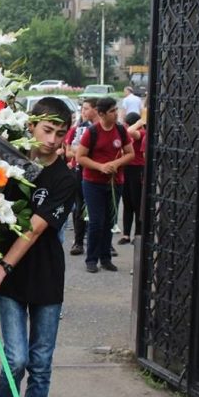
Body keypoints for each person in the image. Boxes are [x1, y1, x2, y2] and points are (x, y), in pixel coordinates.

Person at [0, 97, 77, 397]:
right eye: (47, 130)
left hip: (44, 275)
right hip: (11, 279)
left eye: (60, 134)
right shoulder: (7, 166)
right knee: (16, 359)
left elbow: (34, 229)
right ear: (31, 126)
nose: (52, 140)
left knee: (40, 362)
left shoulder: (65, 179)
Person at [76, 96, 134, 273]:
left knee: (110, 221)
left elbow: (130, 153)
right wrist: (100, 166)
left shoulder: (121, 130)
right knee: (96, 222)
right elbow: (80, 157)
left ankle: (106, 258)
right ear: (101, 114)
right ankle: (91, 259)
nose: (116, 113)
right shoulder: (92, 132)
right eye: (112, 111)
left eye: (116, 110)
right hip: (93, 183)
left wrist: (116, 163)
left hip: (115, 183)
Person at [64, 97, 99, 256]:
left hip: (98, 172)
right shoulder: (77, 129)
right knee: (79, 206)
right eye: (82, 108)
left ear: (96, 110)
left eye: (86, 108)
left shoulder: (103, 129)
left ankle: (100, 243)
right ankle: (78, 242)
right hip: (80, 171)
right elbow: (69, 152)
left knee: (98, 208)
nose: (83, 112)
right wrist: (83, 154)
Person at [119, 112, 146, 244]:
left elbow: (130, 131)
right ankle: (126, 234)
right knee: (127, 202)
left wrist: (140, 122)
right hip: (126, 169)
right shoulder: (128, 132)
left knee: (137, 203)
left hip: (137, 169)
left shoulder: (141, 132)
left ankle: (138, 233)